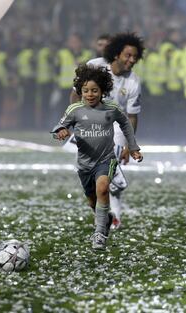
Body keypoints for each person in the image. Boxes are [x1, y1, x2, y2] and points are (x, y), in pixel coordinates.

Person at [52, 64, 143, 250]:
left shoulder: (111, 108)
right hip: (85, 164)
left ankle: (100, 235)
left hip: (106, 160)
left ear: (103, 91)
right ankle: (106, 217)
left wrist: (132, 147)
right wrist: (60, 132)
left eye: (94, 90)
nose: (90, 94)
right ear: (80, 91)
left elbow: (126, 124)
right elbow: (58, 127)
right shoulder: (75, 110)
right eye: (85, 91)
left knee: (102, 189)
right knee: (92, 200)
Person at [70, 32, 145, 229]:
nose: (132, 60)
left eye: (135, 57)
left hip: (116, 128)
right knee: (90, 179)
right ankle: (103, 212)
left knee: (108, 178)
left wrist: (130, 144)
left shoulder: (133, 82)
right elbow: (75, 94)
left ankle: (115, 217)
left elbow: (131, 116)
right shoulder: (95, 66)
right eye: (128, 55)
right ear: (116, 54)